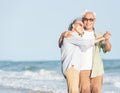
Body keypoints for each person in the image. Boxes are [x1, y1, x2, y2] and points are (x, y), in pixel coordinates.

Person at [59, 18, 111, 93]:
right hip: (72, 67)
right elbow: (86, 43)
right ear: (73, 26)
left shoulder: (74, 37)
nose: (82, 27)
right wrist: (103, 37)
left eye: (83, 26)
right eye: (80, 24)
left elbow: (84, 46)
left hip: (74, 68)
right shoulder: (71, 35)